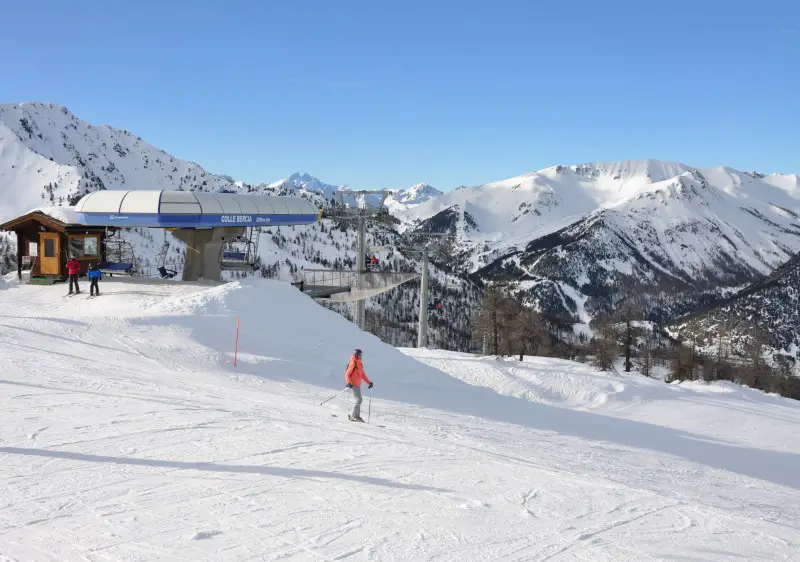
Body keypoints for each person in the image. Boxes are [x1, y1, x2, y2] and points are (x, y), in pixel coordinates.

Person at [344, 348, 373, 422]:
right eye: (359, 355)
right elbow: (347, 374)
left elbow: (363, 374)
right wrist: (349, 382)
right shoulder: (353, 363)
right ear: (356, 355)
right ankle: (354, 416)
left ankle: (357, 416)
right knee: (359, 400)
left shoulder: (359, 363)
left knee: (359, 400)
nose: (360, 356)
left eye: (361, 355)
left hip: (358, 385)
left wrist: (369, 382)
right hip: (353, 384)